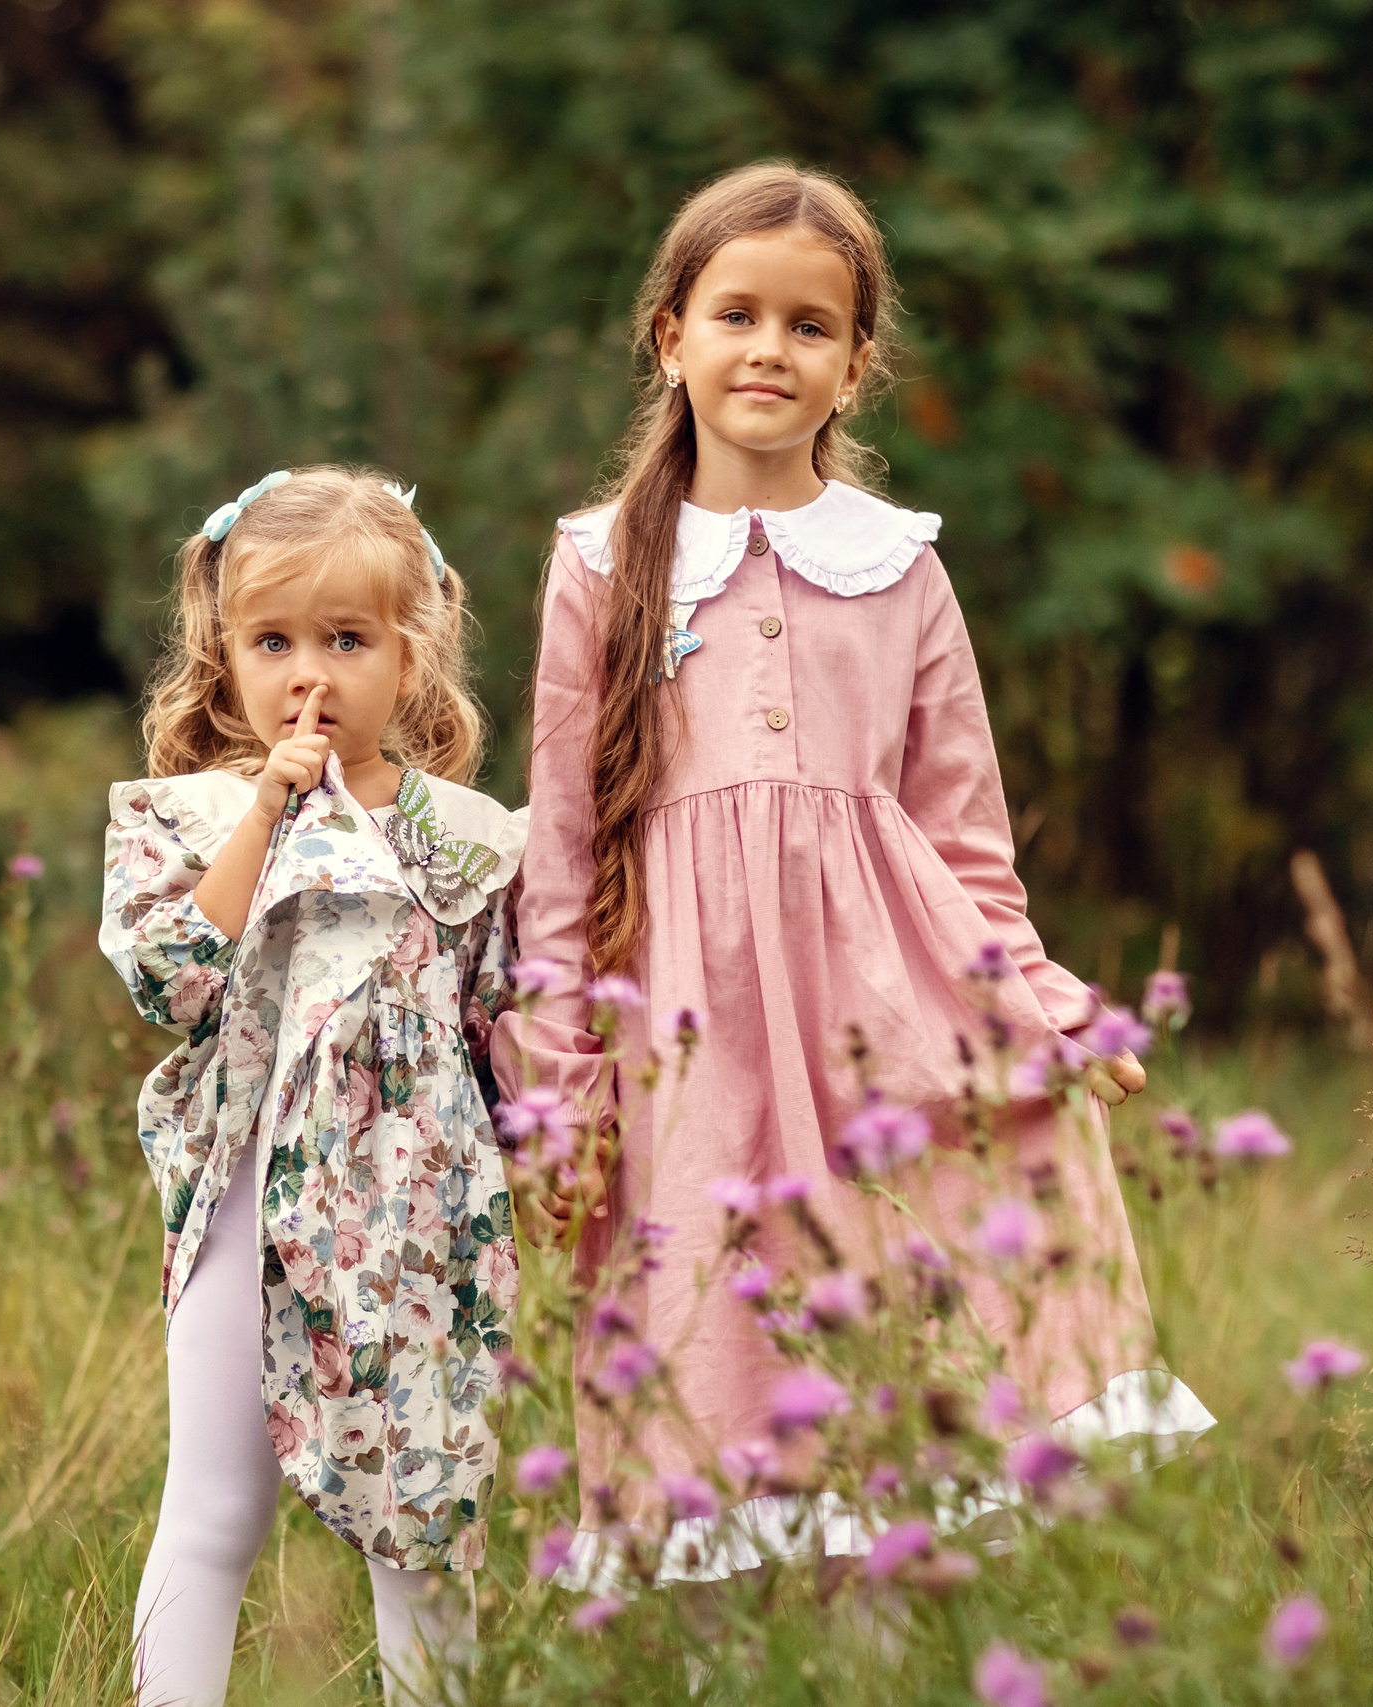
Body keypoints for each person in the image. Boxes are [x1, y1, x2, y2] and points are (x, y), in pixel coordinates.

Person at [490, 161, 1212, 1585]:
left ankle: (879, 1650)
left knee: (897, 1371)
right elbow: (561, 853)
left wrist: (1047, 1008)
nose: (770, 348)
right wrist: (556, 1079)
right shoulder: (598, 568)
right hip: (690, 1041)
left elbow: (967, 846)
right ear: (671, 336)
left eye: (810, 326)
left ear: (856, 367)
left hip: (883, 1031)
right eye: (737, 313)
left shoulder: (900, 569)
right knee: (705, 1362)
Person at [102, 466, 528, 1704]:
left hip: (419, 1212)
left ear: (410, 652)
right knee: (214, 1505)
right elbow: (166, 986)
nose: (311, 674)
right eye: (273, 640)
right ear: (224, 653)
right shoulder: (183, 818)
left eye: (347, 640)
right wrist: (268, 814)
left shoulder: (465, 834)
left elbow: (500, 1018)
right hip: (245, 1191)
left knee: (427, 1516)